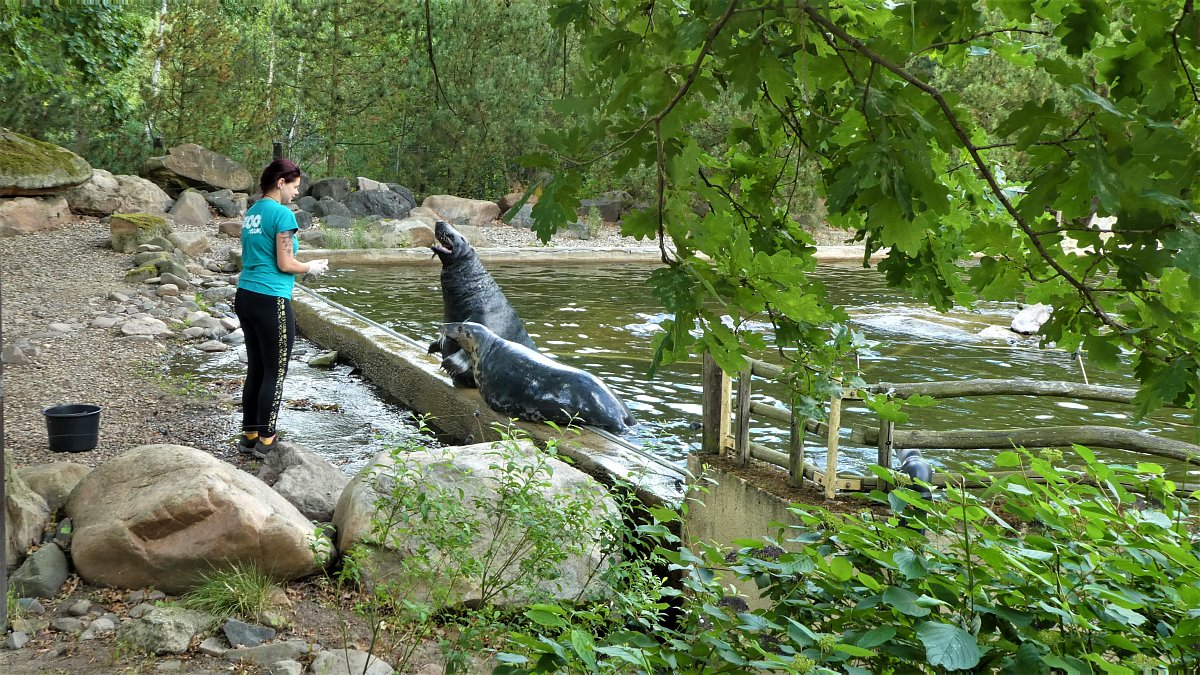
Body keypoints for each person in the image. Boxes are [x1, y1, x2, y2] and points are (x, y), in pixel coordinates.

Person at [234, 158, 329, 458]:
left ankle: (249, 434)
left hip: (245, 295)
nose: (296, 193)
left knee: (257, 369)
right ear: (280, 183)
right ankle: (267, 440)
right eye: (295, 187)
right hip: (270, 299)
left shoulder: (253, 212)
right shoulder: (282, 215)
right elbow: (285, 263)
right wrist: (309, 267)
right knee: (276, 372)